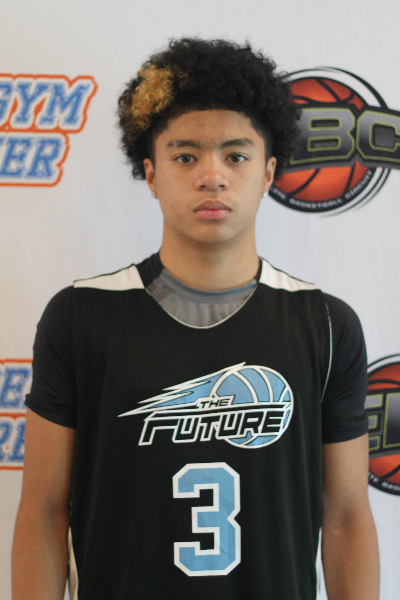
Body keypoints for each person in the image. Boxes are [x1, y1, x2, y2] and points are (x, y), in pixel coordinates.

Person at [12, 38, 379, 600]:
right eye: (186, 156)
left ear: (269, 172)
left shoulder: (327, 325)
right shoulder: (81, 317)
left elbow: (348, 514)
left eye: (236, 155)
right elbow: (42, 508)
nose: (213, 175)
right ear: (151, 173)